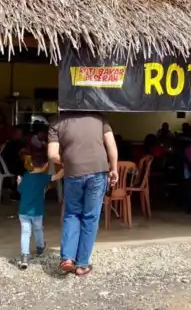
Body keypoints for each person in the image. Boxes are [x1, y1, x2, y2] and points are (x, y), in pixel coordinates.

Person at [48, 112, 119, 276]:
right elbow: (111, 146)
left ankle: (67, 258)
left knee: (72, 213)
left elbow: (52, 154)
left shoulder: (57, 122)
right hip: (97, 172)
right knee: (90, 217)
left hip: (73, 173)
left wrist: (69, 161)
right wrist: (114, 169)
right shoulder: (100, 118)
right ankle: (82, 265)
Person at [16, 148, 64, 270]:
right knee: (38, 229)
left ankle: (24, 257)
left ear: (31, 163)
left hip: (23, 211)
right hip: (37, 211)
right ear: (46, 165)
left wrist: (18, 183)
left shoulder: (25, 176)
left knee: (25, 233)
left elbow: (20, 190)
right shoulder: (43, 178)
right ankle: (40, 248)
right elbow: (57, 176)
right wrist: (66, 166)